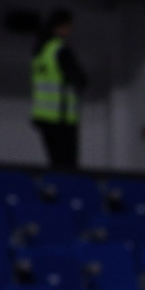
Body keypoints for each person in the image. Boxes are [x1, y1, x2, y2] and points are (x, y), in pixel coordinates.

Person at [31, 9, 86, 171]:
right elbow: (81, 79)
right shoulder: (60, 50)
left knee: (55, 164)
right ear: (61, 27)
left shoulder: (40, 51)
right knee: (67, 167)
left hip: (44, 116)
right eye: (68, 27)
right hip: (62, 118)